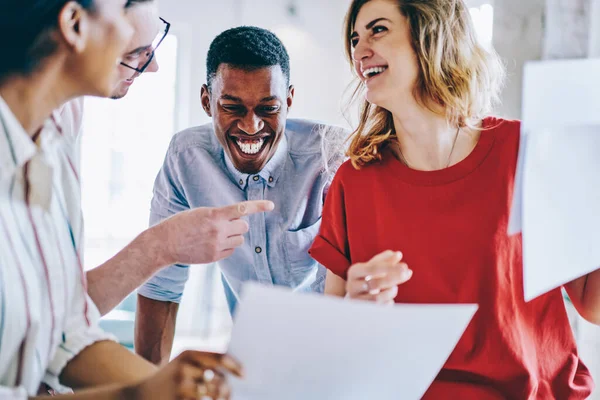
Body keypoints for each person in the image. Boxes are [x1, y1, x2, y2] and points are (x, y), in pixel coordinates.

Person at [309, 0, 599, 399]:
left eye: (378, 30)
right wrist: (357, 311)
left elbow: (592, 304)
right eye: (355, 38)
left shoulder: (525, 150)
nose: (359, 50)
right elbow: (331, 343)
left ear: (431, 35)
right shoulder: (354, 181)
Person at [0, 1, 254, 398]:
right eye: (123, 12)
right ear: (74, 23)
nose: (150, 67)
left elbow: (66, 334)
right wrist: (136, 395)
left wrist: (177, 387)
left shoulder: (50, 149)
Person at [135, 26, 346, 365]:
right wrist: (145, 387)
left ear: (289, 101)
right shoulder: (186, 157)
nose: (251, 126)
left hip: (331, 354)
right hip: (251, 357)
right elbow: (162, 284)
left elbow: (346, 288)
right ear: (207, 102)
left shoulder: (332, 158)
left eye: (268, 108)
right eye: (232, 107)